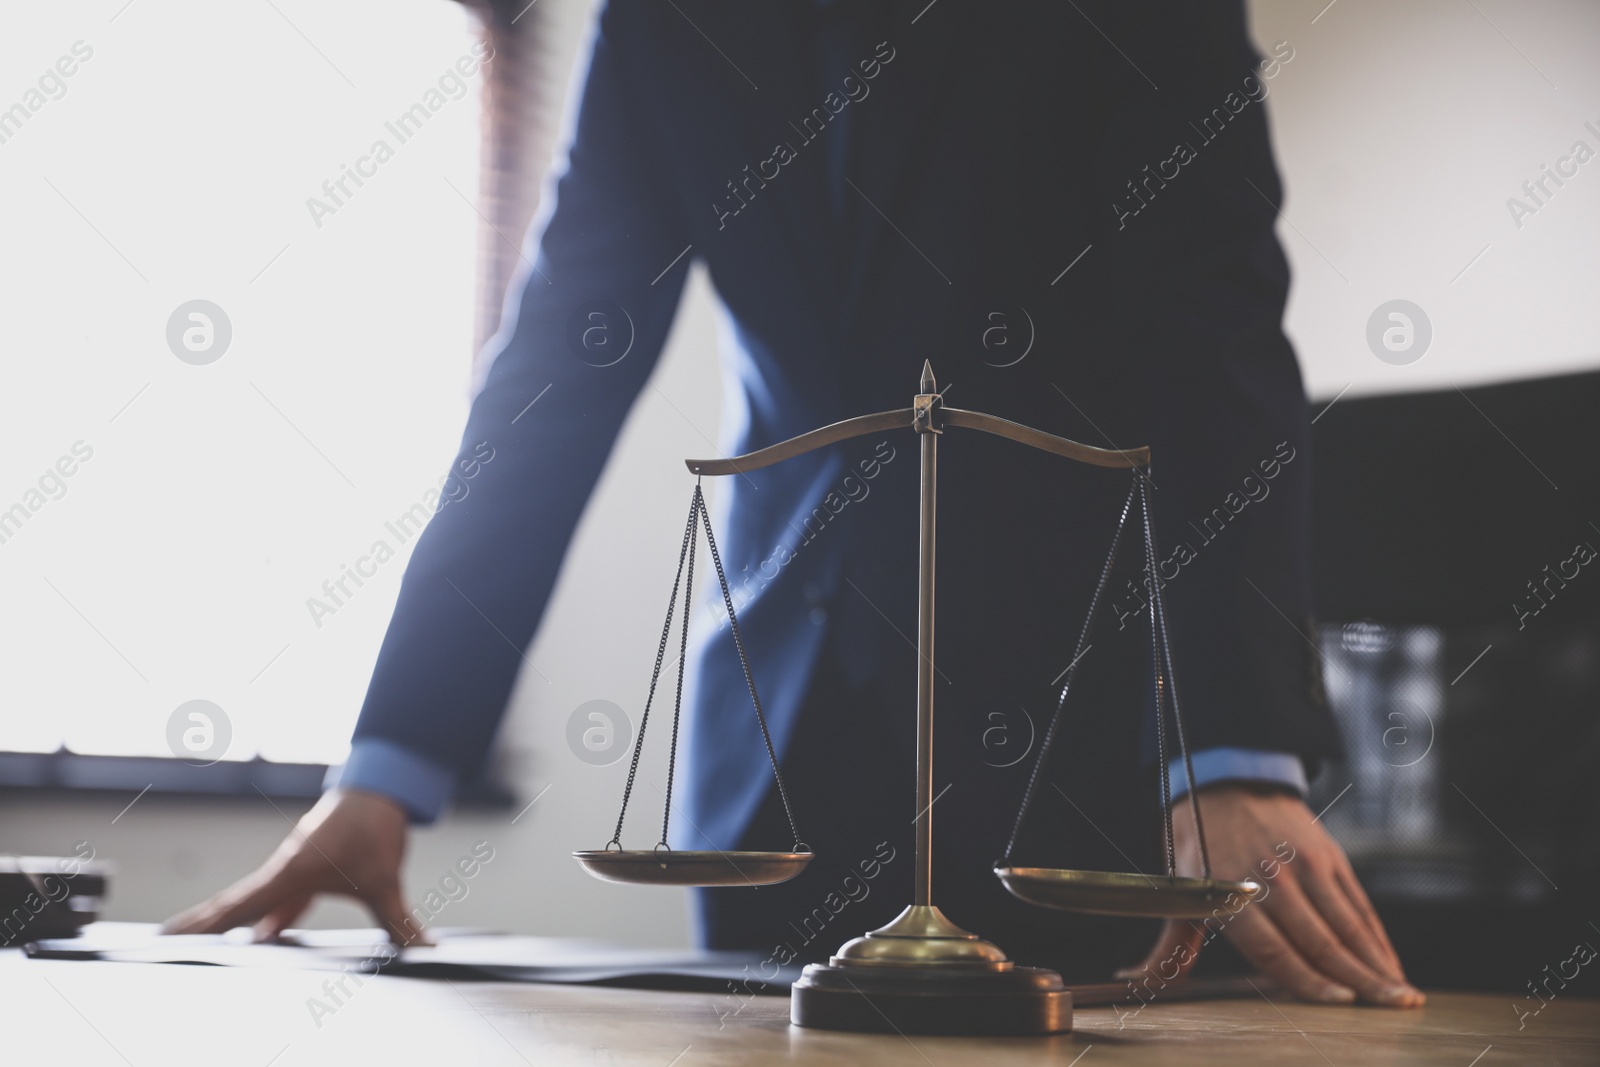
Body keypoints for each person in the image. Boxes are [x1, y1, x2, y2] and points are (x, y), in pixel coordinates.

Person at [167, 0, 1423, 1007]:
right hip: (775, 741)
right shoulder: (658, 26)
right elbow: (556, 372)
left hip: (1074, 752)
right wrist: (389, 765)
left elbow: (1215, 350)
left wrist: (1230, 746)